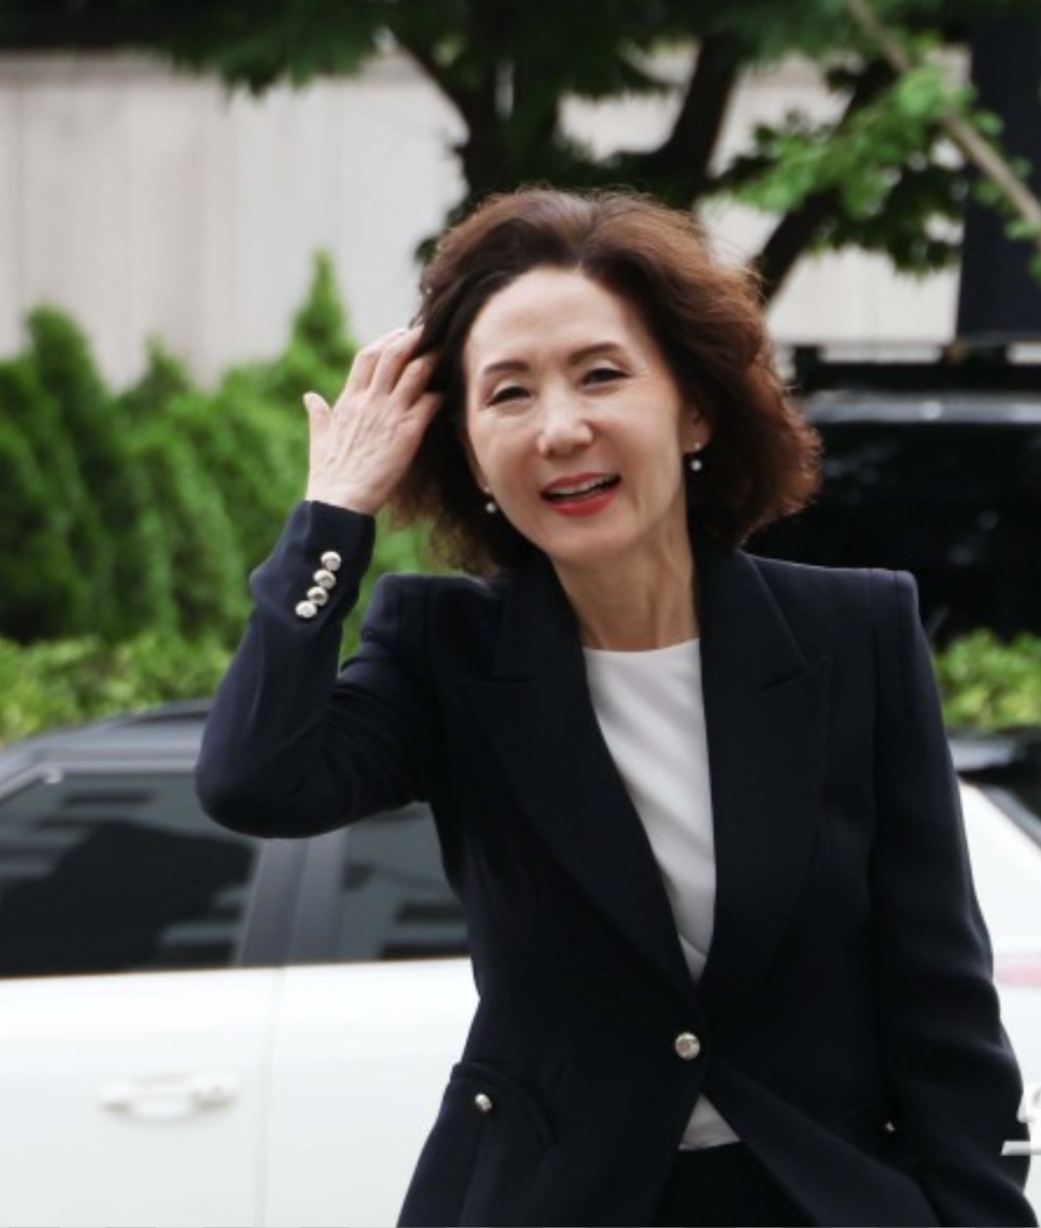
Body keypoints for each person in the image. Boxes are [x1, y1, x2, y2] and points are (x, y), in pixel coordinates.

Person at [195, 188, 1034, 1227]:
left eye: (601, 375)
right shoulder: (445, 652)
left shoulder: (852, 632)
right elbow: (255, 781)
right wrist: (331, 520)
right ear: (468, 449)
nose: (560, 429)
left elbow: (939, 997)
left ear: (693, 409)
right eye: (508, 394)